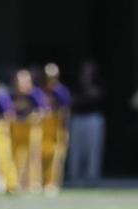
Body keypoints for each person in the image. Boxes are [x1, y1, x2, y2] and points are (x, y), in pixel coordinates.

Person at [9, 68, 48, 193]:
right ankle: (16, 182)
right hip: (16, 129)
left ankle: (33, 182)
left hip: (32, 130)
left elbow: (44, 111)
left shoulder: (35, 94)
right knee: (16, 156)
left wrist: (33, 116)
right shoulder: (12, 95)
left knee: (33, 156)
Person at [67, 60, 105, 186]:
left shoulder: (98, 81)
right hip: (77, 118)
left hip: (93, 118)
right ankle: (74, 176)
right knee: (76, 148)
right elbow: (71, 100)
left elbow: (96, 95)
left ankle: (92, 177)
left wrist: (87, 86)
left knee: (93, 148)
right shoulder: (75, 82)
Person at [40, 63, 70, 195]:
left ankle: (52, 182)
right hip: (43, 127)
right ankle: (39, 181)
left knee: (55, 157)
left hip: (56, 127)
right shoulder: (41, 91)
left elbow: (65, 110)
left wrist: (63, 127)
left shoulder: (61, 91)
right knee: (40, 155)